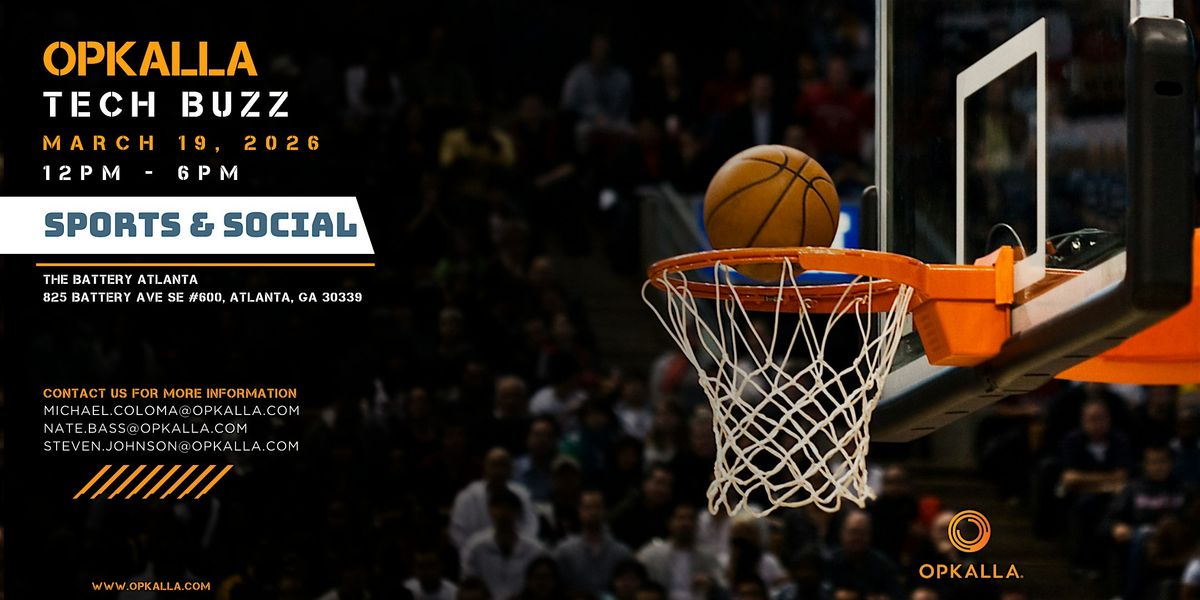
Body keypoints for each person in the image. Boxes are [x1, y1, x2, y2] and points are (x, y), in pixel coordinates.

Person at [1104, 445, 1193, 598]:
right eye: (1153, 462)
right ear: (1145, 465)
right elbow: (1109, 519)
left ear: (1171, 463)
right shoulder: (1133, 489)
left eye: (1162, 462)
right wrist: (1116, 527)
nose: (1158, 467)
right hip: (1141, 537)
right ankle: (1130, 595)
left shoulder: (1185, 490)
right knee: (1141, 536)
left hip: (1176, 539)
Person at [1059, 398, 1132, 575]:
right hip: (1077, 496)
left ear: (1109, 419)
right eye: (1092, 419)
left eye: (1101, 418)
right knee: (1085, 507)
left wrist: (1087, 479)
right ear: (1083, 420)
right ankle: (1081, 563)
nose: (1097, 423)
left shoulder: (1119, 440)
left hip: (1111, 496)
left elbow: (1122, 476)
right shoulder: (1072, 440)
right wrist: (1106, 480)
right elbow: (1070, 478)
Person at [460, 488, 546, 600]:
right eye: (498, 507)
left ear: (518, 512)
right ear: (490, 511)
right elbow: (469, 584)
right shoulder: (475, 546)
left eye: (508, 508)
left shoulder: (535, 550)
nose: (503, 513)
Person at [449, 447, 540, 548]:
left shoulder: (522, 494)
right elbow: (458, 531)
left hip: (518, 552)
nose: (499, 471)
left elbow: (531, 525)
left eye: (503, 465)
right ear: (485, 467)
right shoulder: (467, 497)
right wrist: (474, 551)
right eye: (494, 465)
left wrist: (519, 550)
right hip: (476, 553)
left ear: (511, 468)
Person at [636, 504, 724, 600]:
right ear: (670, 523)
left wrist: (710, 583)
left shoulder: (708, 557)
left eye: (691, 518)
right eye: (680, 518)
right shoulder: (651, 554)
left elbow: (723, 583)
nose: (686, 523)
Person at [554, 489, 632, 595]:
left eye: (597, 507)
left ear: (605, 510)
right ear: (579, 511)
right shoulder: (565, 550)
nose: (593, 512)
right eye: (587, 508)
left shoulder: (621, 552)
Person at [825, 511, 902, 600]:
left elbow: (898, 594)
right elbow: (823, 592)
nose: (857, 538)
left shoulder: (883, 564)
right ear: (842, 533)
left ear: (870, 535)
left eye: (862, 533)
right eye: (853, 532)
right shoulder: (830, 561)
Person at [610, 465, 676, 549]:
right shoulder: (627, 509)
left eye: (667, 485)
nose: (662, 489)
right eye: (659, 483)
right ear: (645, 484)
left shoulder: (672, 515)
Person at [514, 418, 560, 504]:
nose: (542, 440)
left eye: (548, 435)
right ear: (528, 438)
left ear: (554, 440)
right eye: (537, 435)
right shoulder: (515, 467)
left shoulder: (559, 469)